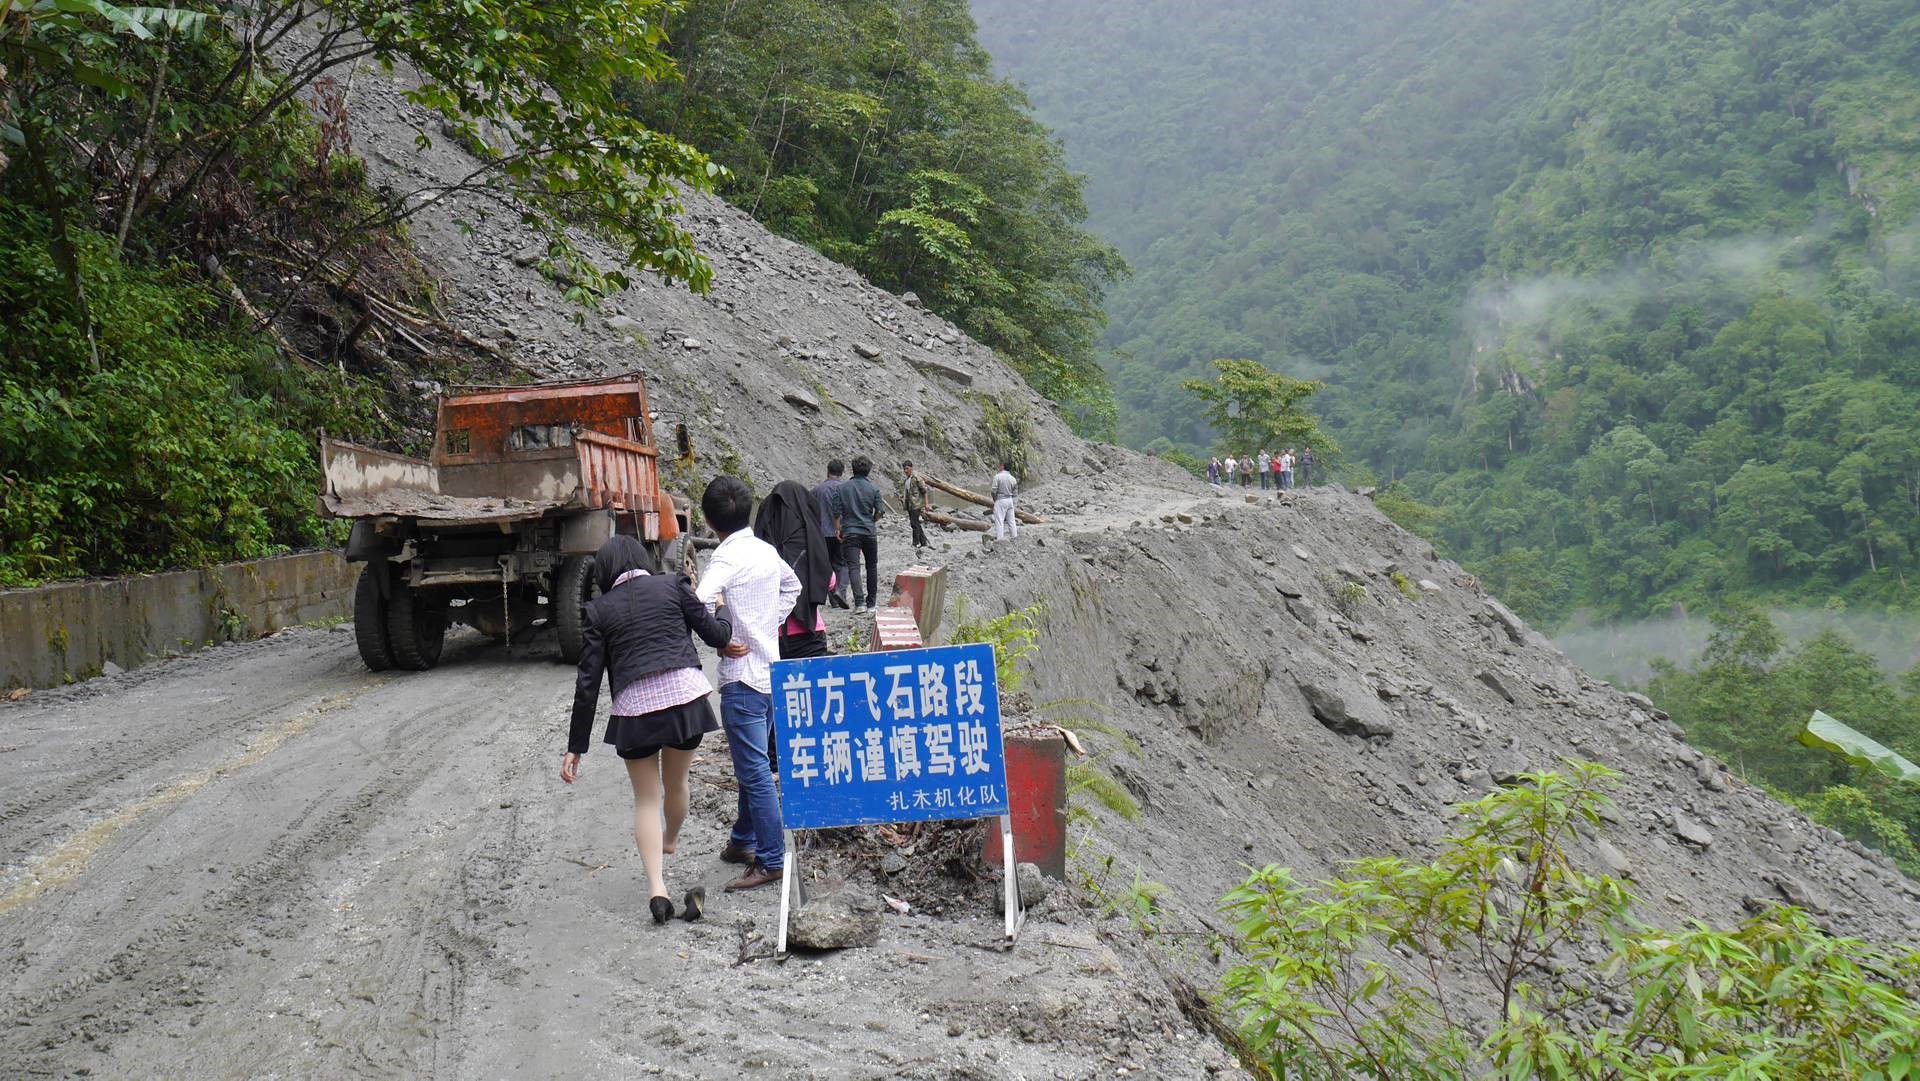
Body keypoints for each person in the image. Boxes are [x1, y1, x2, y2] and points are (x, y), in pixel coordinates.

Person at [562, 535, 734, 924]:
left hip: (635, 713)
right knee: (677, 785)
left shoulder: (599, 610)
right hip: (685, 702)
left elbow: (587, 683)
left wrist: (577, 746)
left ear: (605, 572)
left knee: (645, 799)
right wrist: (722, 612)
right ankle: (671, 839)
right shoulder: (673, 585)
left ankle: (657, 887)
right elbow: (717, 636)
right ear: (642, 560)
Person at [695, 476, 801, 892]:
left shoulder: (722, 560)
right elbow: (793, 586)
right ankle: (743, 841)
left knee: (755, 772)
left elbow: (699, 601)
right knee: (751, 764)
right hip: (770, 673)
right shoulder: (765, 550)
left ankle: (772, 859)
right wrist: (766, 624)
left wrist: (722, 639)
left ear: (707, 519)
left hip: (742, 682)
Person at [754, 479, 833, 661]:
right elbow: (829, 582)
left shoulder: (761, 547)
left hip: (769, 635)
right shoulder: (810, 543)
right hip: (809, 633)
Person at [837, 455, 885, 613]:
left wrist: (839, 530)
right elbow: (880, 511)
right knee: (872, 566)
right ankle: (871, 603)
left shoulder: (843, 488)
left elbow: (836, 512)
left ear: (853, 469)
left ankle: (859, 603)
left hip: (850, 532)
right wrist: (872, 520)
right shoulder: (874, 489)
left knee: (854, 567)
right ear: (868, 471)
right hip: (869, 531)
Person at [810, 460, 851, 609]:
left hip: (822, 534)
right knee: (842, 563)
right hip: (841, 532)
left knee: (826, 565)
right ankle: (841, 593)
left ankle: (832, 597)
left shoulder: (817, 490)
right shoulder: (845, 489)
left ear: (827, 471)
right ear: (841, 473)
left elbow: (810, 511)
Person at [902, 460, 930, 550]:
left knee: (914, 523)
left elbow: (924, 491)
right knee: (916, 523)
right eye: (904, 469)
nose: (905, 471)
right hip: (910, 505)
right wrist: (902, 498)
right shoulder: (907, 480)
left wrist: (926, 504)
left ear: (911, 467)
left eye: (907, 468)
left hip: (916, 505)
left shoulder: (917, 478)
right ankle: (923, 542)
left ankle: (915, 543)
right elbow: (908, 493)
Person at [990, 461, 1019, 541]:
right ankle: (1014, 538)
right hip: (1010, 500)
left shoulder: (997, 477)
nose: (999, 467)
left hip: (1000, 499)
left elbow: (993, 490)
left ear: (1003, 466)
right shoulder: (1013, 479)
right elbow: (1015, 493)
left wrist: (994, 499)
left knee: (999, 521)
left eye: (1000, 465)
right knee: (1011, 521)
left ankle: (1000, 540)